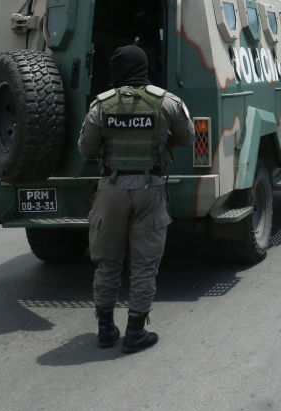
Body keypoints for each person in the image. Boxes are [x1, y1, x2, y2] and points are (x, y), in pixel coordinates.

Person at [78, 45, 195, 353]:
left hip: (111, 189)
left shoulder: (101, 105)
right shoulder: (166, 102)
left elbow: (86, 149)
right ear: (145, 68)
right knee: (144, 264)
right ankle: (135, 332)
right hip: (150, 186)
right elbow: (187, 137)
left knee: (107, 261)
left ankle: (105, 329)